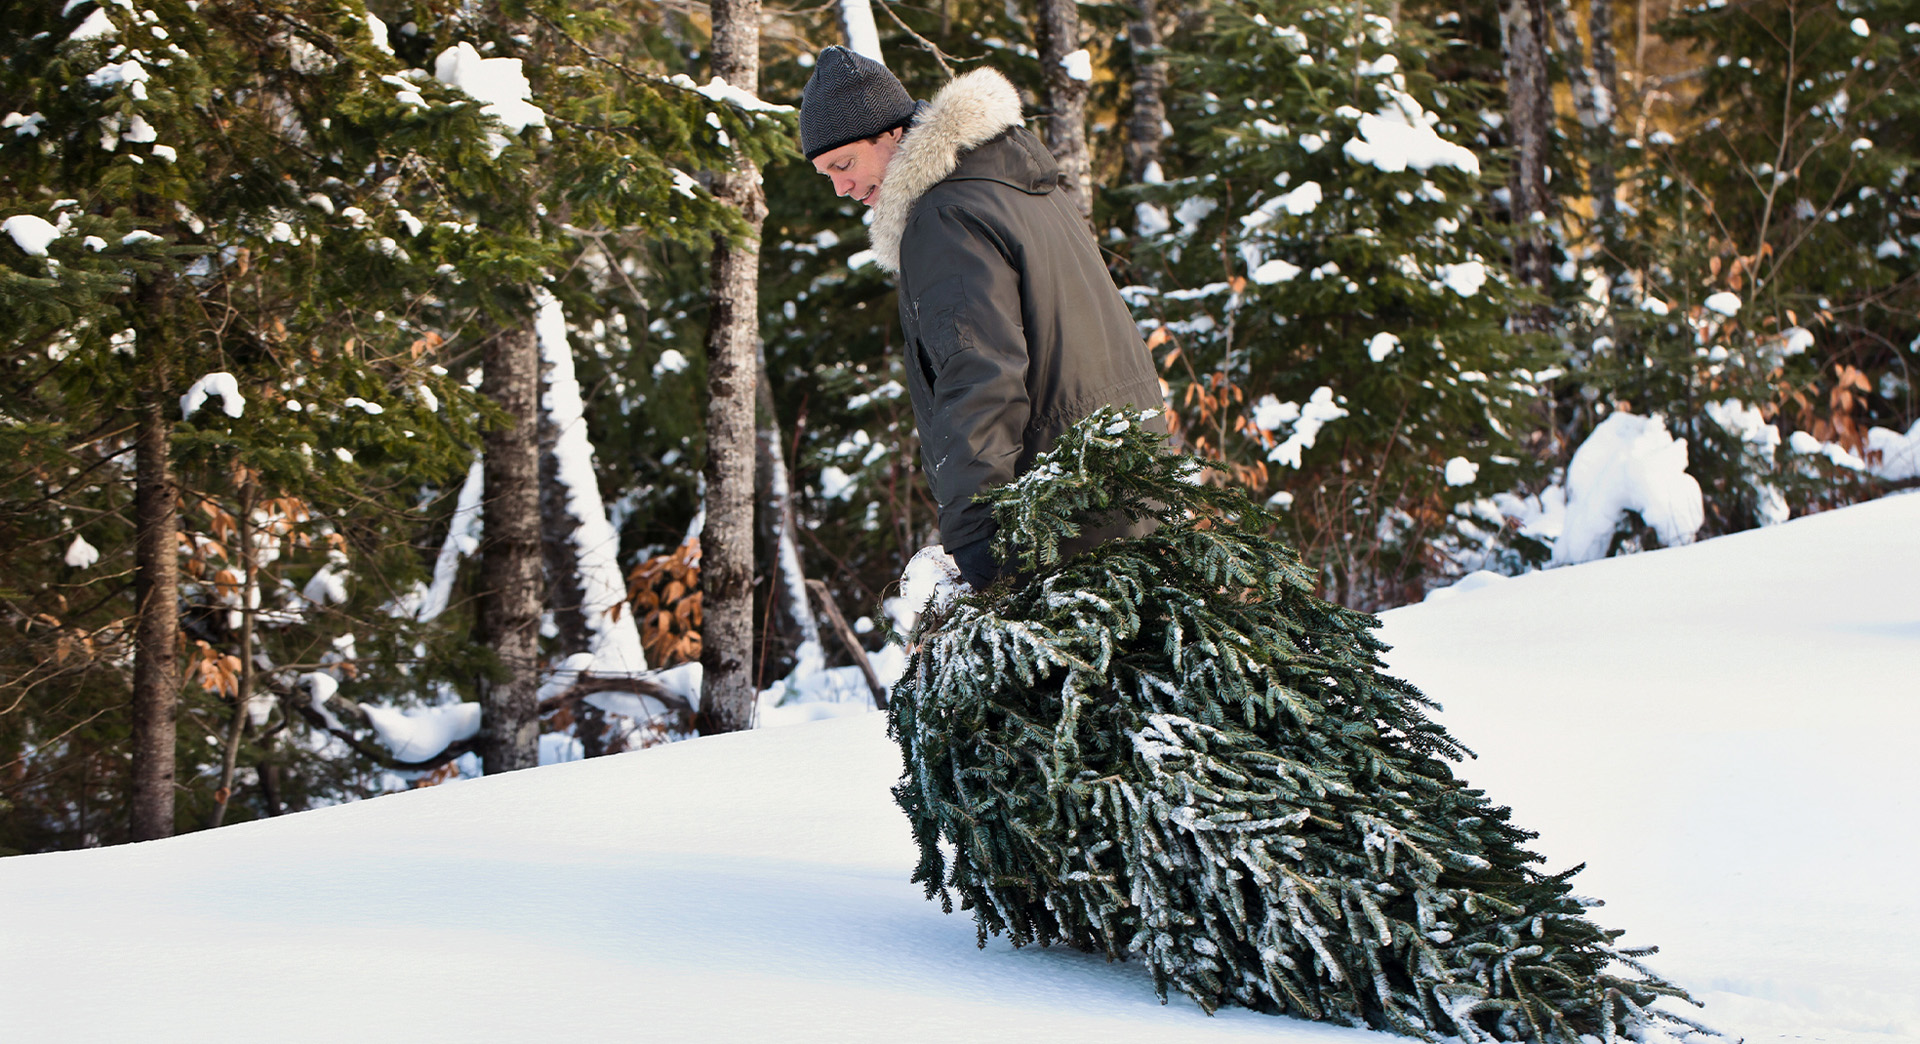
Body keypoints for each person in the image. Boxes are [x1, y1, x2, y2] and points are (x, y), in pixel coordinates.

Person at [798, 46, 1166, 591]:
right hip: (1126, 470)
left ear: (894, 135)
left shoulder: (944, 215)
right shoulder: (1013, 185)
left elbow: (980, 376)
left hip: (1058, 508)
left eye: (845, 165)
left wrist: (976, 533)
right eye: (826, 174)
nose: (841, 188)